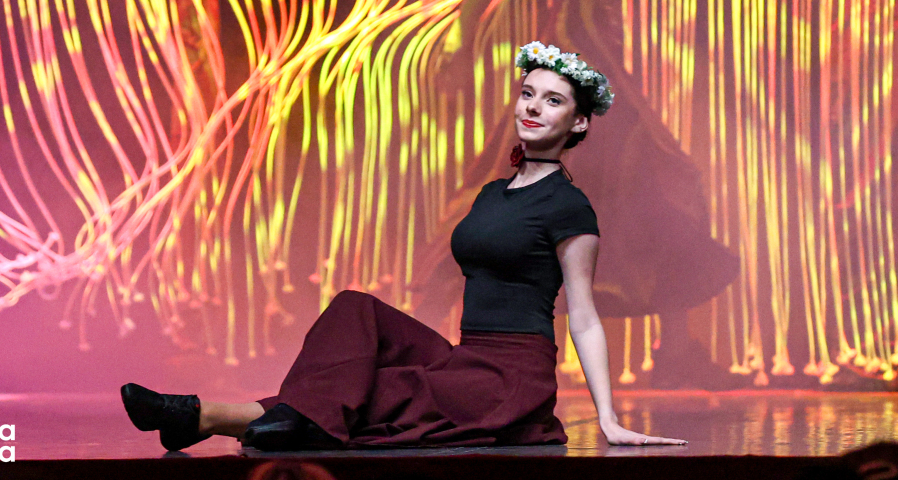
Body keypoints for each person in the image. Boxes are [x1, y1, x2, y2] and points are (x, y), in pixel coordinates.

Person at [122, 43, 687, 451]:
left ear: (580, 123)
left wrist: (608, 419)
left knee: (376, 390)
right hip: (467, 356)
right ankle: (215, 419)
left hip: (510, 378)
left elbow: (583, 315)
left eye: (553, 101)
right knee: (354, 310)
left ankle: (199, 415)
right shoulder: (491, 193)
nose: (532, 108)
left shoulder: (569, 205)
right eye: (527, 94)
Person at [430, 0, 739, 388]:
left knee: (625, 185)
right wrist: (462, 36)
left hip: (597, 49)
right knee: (616, 180)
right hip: (577, 52)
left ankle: (673, 351)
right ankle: (473, 341)